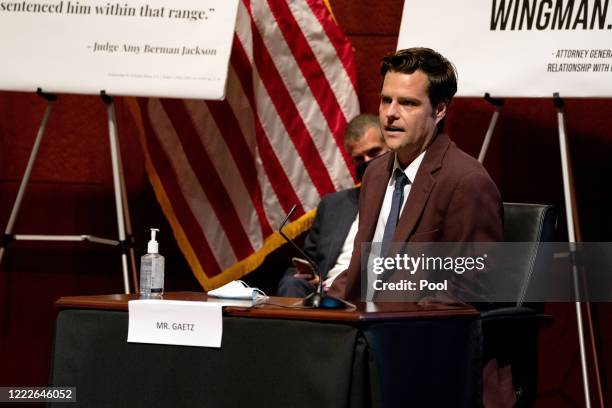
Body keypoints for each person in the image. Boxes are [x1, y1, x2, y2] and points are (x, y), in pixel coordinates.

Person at [328, 47, 503, 301]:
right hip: (360, 324)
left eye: (407, 103)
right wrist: (318, 306)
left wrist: (399, 322)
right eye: (386, 100)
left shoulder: (466, 181)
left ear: (440, 109)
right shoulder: (375, 173)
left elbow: (472, 288)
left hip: (416, 332)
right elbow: (362, 271)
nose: (390, 114)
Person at [277, 114, 389, 297]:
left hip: (366, 289)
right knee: (292, 282)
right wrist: (310, 275)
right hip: (323, 290)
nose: (368, 162)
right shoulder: (333, 205)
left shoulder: (407, 198)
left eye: (374, 152)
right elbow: (309, 260)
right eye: (359, 159)